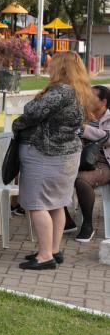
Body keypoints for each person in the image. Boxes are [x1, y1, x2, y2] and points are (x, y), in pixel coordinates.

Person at [11, 52, 90, 270]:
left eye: (53, 64)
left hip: (45, 155)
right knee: (57, 203)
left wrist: (28, 109)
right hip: (67, 155)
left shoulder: (61, 91)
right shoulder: (80, 91)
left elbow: (32, 111)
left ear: (61, 68)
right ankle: (53, 250)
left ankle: (45, 255)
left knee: (37, 204)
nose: (48, 67)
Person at [70, 84, 110, 242]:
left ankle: (87, 224)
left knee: (82, 180)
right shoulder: (82, 115)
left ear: (103, 102)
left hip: (103, 164)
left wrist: (85, 130)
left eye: (91, 96)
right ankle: (66, 222)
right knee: (52, 178)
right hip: (78, 159)